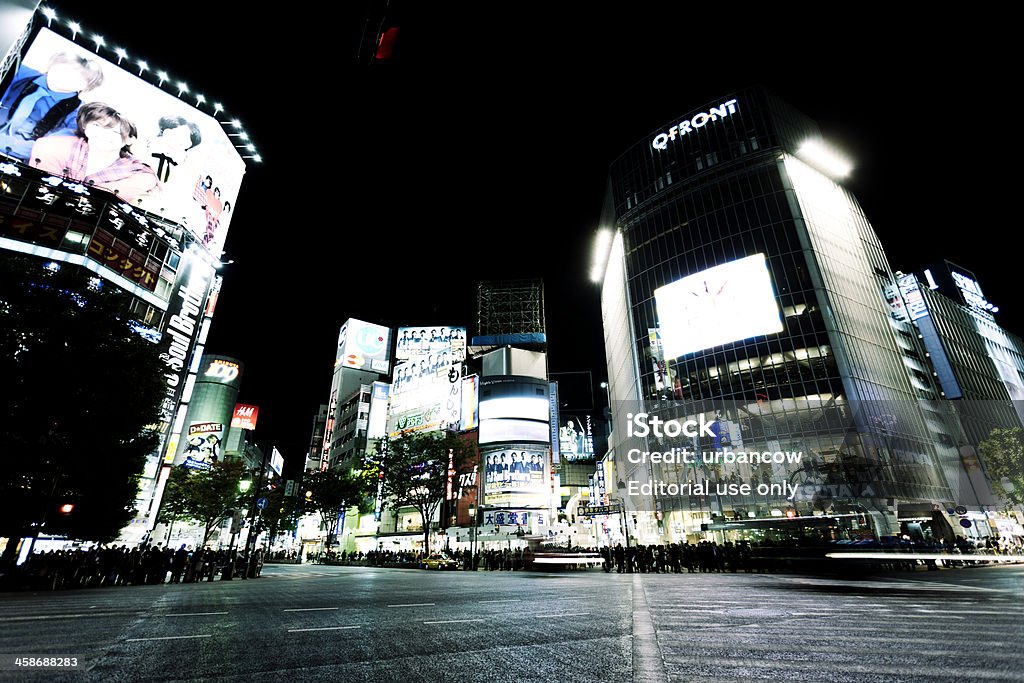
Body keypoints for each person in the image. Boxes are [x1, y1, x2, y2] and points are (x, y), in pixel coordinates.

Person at [29, 101, 161, 204]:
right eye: (97, 126)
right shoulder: (52, 146)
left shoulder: (141, 174)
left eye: (115, 132)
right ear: (85, 126)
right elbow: (41, 192)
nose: (104, 135)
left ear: (130, 139)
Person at [0, 51, 104, 161]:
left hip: (16, 159)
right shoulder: (19, 72)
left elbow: (45, 148)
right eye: (64, 69)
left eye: (80, 78)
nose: (66, 77)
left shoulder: (80, 115)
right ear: (52, 64)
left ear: (86, 87)